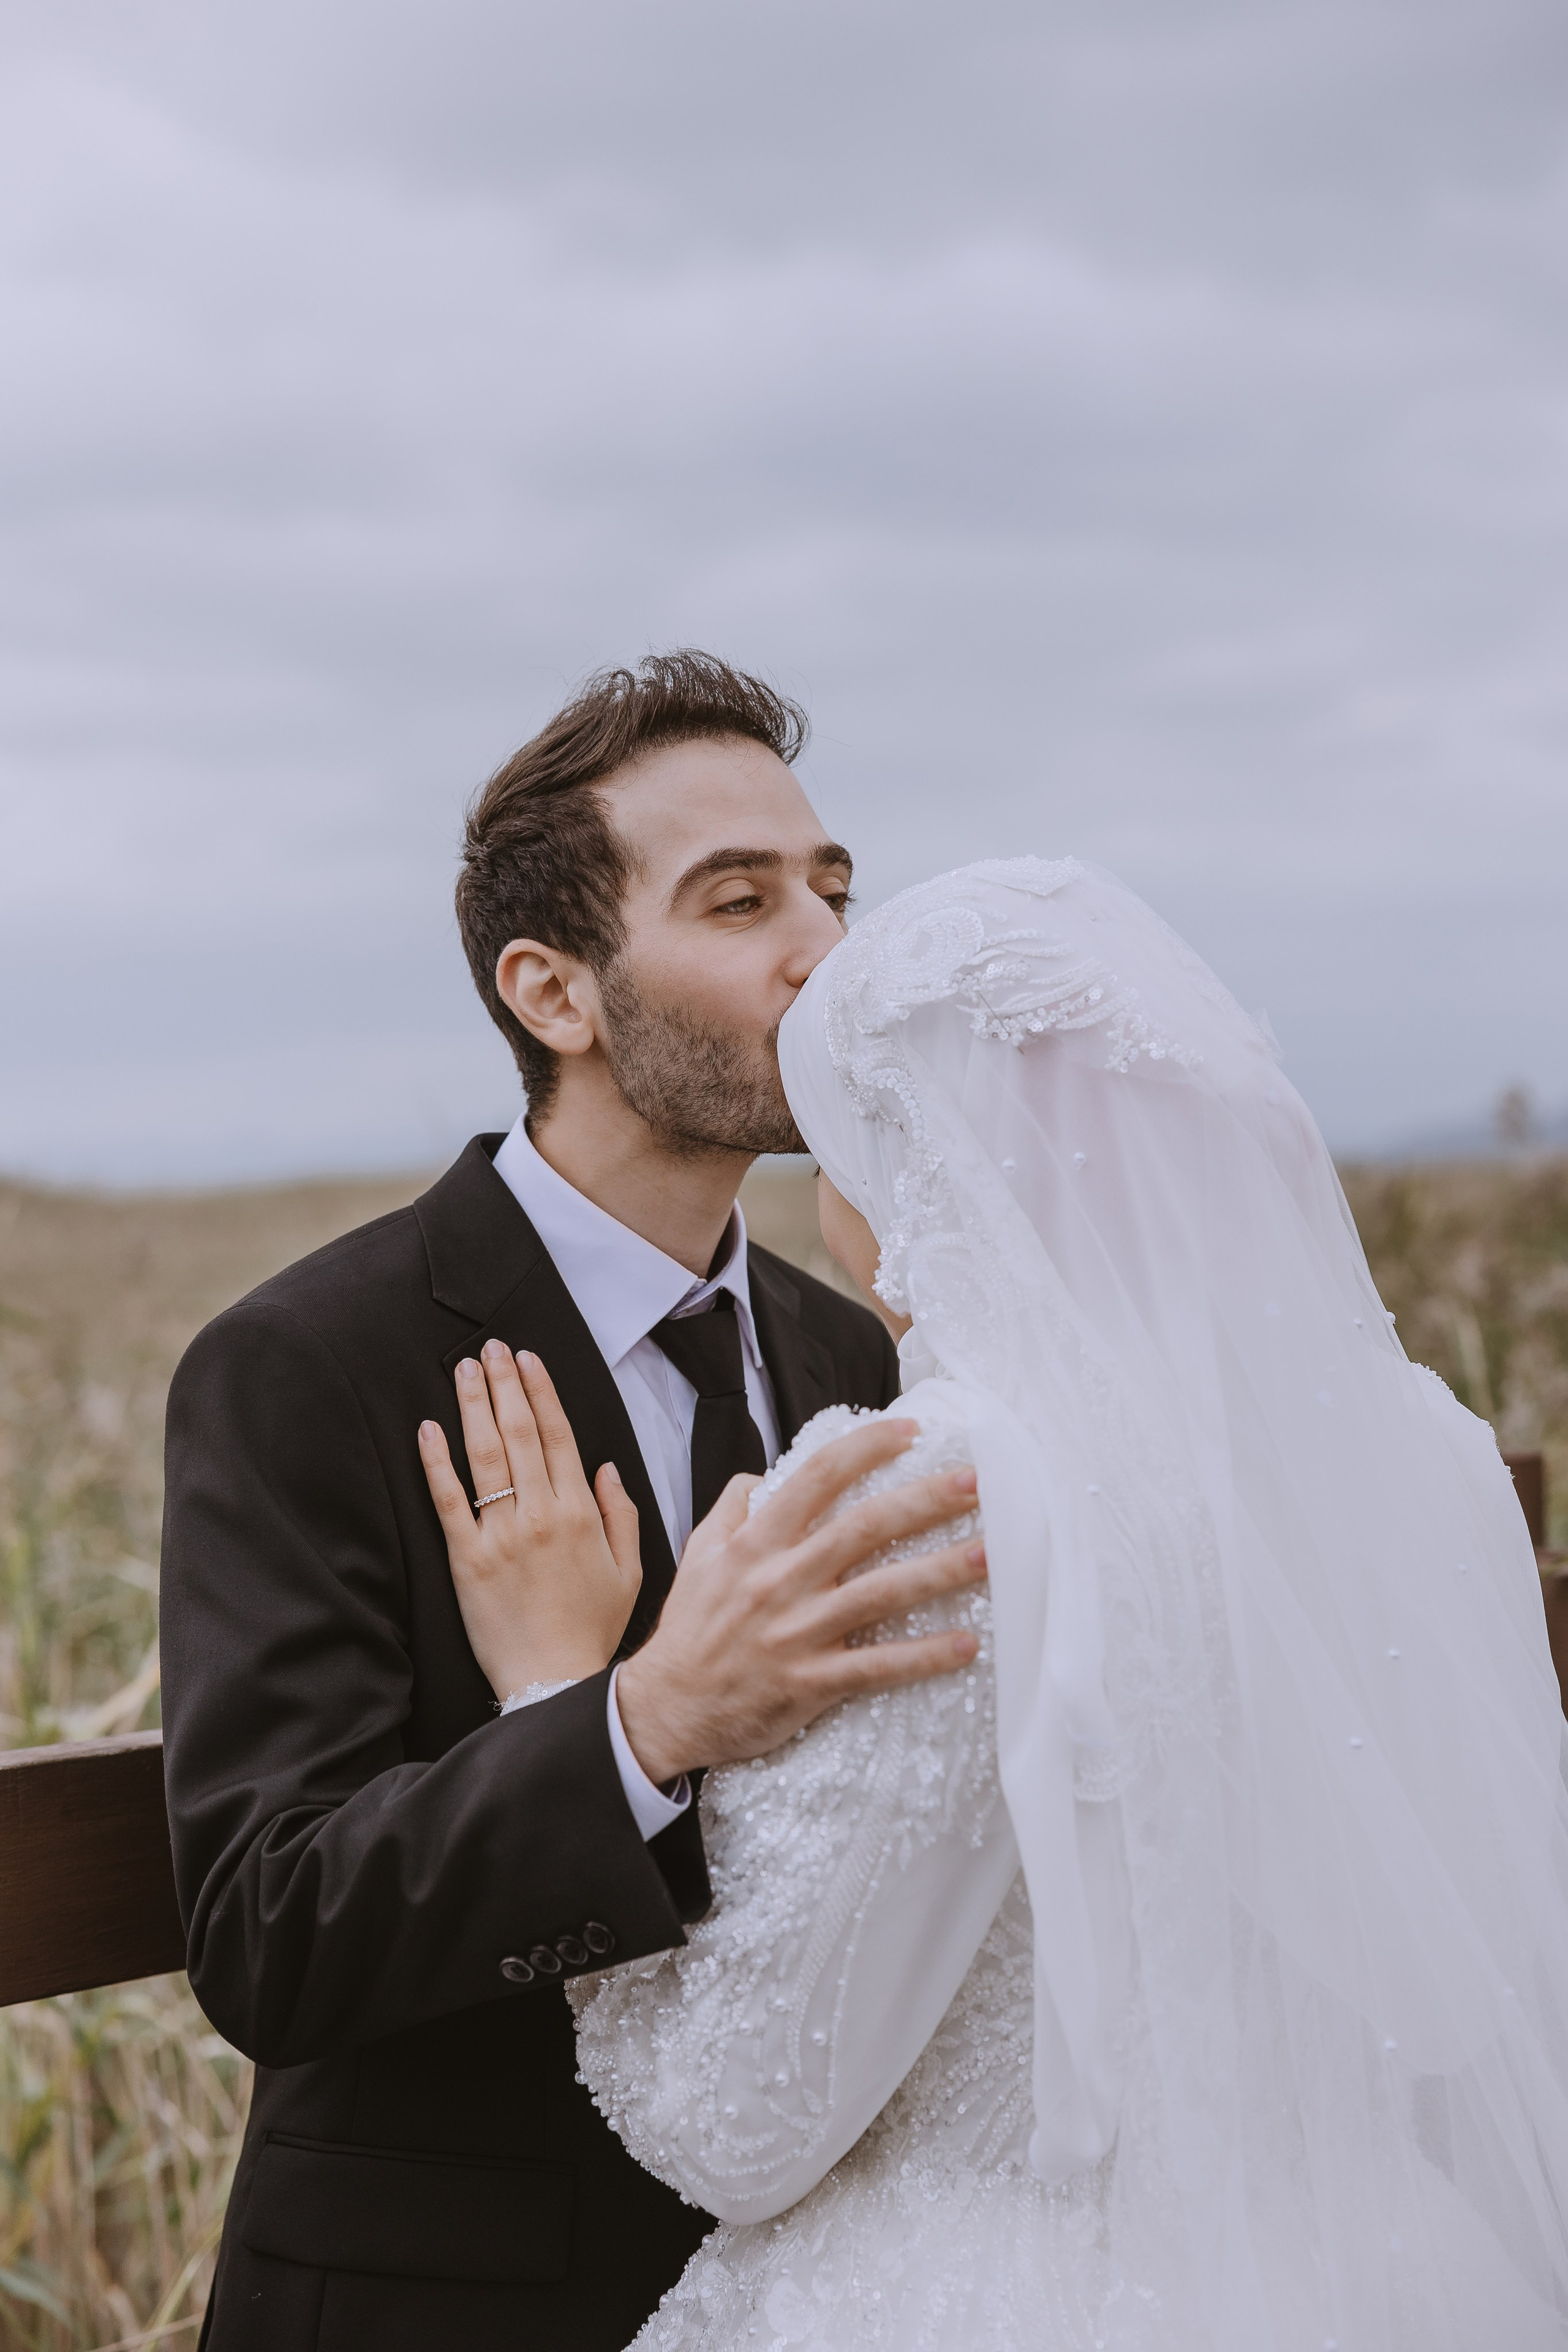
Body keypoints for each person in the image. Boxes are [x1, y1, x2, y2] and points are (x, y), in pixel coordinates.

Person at [447, 856, 1568, 2349]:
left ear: (905, 1152)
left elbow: (732, 2123)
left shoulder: (941, 1483)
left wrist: (556, 1694)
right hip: (1377, 2270)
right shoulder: (1418, 1450)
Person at [158, 653, 987, 2352]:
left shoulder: (857, 1349)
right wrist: (645, 1718)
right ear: (556, 992)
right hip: (444, 2302)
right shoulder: (310, 1364)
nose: (828, 951)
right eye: (740, 901)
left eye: (834, 889)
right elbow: (270, 1936)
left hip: (811, 2292)